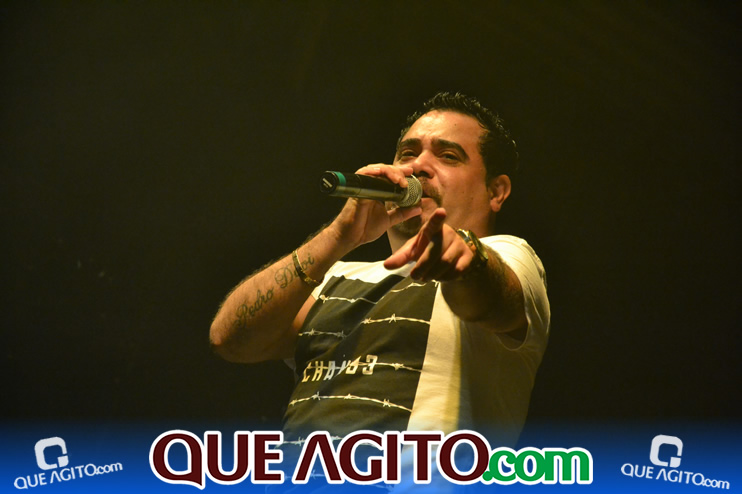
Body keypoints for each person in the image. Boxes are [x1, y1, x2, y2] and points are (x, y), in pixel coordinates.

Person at [210, 92, 550, 473]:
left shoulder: (506, 254)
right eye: (407, 153)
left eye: (448, 156)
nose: (418, 166)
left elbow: (491, 301)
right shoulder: (337, 276)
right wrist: (339, 237)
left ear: (496, 191)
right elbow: (229, 339)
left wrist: (465, 261)